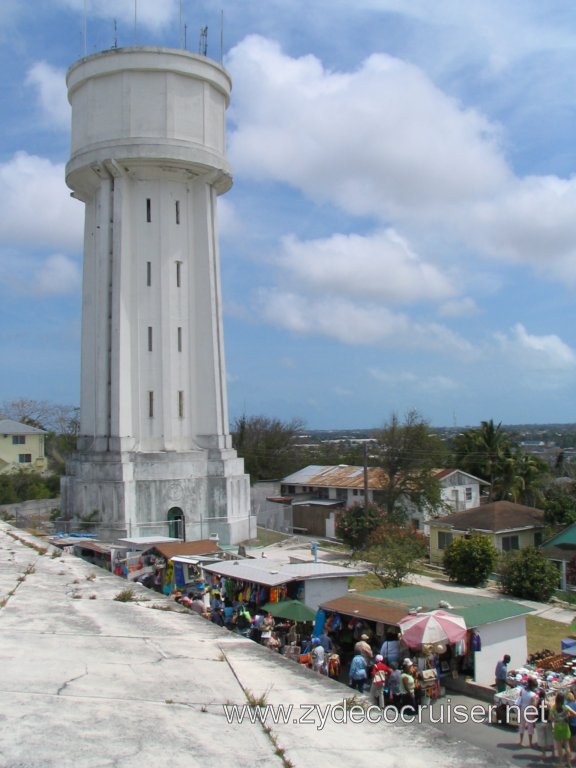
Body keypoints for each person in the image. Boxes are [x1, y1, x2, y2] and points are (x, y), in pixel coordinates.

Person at [550, 692, 572, 767]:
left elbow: (550, 718)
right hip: (565, 727)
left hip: (557, 727)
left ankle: (561, 764)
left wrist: (556, 719)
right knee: (567, 745)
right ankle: (569, 763)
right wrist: (568, 716)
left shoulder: (553, 708)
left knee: (559, 746)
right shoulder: (566, 707)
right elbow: (574, 713)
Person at [517, 677, 539, 748]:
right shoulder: (533, 695)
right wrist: (534, 715)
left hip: (522, 709)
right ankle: (530, 743)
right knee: (530, 727)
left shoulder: (522, 690)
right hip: (529, 711)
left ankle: (521, 741)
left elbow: (520, 699)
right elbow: (534, 706)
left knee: (522, 725)